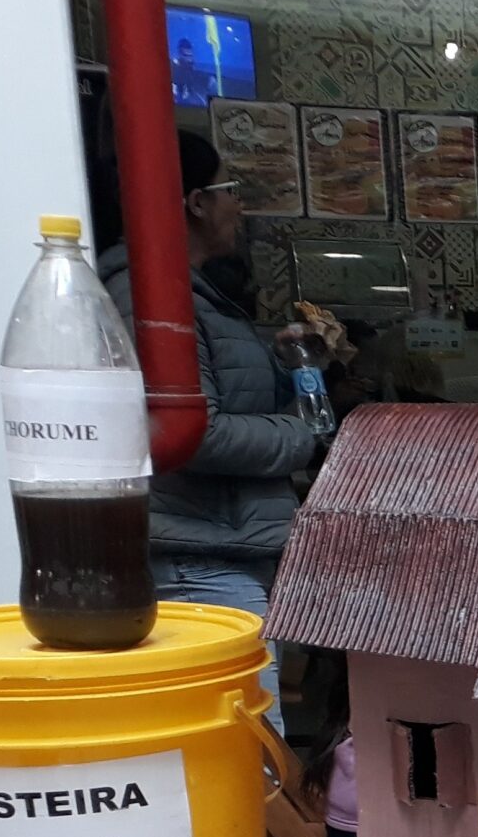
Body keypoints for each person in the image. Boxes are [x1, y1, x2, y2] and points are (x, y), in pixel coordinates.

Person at [102, 129, 323, 619]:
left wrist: (288, 366)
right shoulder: (147, 300)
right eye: (232, 191)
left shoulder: (190, 295)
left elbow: (218, 395)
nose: (239, 207)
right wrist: (307, 435)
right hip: (195, 564)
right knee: (239, 698)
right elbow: (190, 432)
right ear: (197, 202)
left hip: (223, 550)